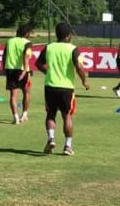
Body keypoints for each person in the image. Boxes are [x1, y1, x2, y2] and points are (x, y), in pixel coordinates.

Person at [36, 21, 90, 156]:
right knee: (67, 116)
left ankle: (51, 138)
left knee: (50, 114)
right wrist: (84, 81)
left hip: (50, 86)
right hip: (66, 88)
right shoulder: (73, 49)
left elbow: (38, 64)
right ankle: (67, 146)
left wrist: (48, 72)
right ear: (69, 35)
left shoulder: (49, 47)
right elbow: (79, 67)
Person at [2, 24, 33, 124]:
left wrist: (3, 68)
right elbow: (26, 56)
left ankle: (15, 117)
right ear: (27, 33)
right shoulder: (27, 43)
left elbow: (4, 56)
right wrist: (24, 70)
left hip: (10, 69)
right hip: (22, 70)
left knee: (13, 95)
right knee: (26, 92)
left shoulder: (9, 41)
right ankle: (24, 114)